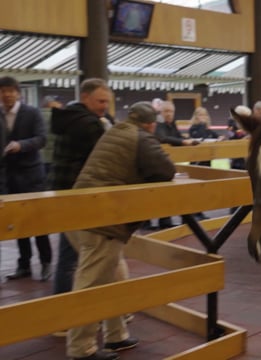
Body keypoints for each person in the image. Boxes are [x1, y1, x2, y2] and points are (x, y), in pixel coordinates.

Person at [65, 101, 175, 360]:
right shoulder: (141, 138)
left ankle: (116, 336)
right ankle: (81, 348)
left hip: (79, 211)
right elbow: (166, 169)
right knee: (91, 284)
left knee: (114, 275)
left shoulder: (114, 130)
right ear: (151, 124)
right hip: (103, 220)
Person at [49, 78, 114, 298]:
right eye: (100, 101)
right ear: (85, 97)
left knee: (69, 251)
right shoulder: (89, 124)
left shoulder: (67, 117)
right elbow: (106, 159)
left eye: (107, 102)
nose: (104, 106)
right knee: (79, 254)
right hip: (80, 194)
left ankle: (65, 306)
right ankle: (69, 313)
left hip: (62, 190)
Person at [1, 76, 52, 282]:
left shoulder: (32, 113)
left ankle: (46, 262)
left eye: (10, 91)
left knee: (38, 222)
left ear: (18, 93)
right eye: (3, 91)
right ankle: (24, 265)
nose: (7, 95)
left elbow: (42, 139)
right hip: (8, 177)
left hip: (32, 177)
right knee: (19, 224)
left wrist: (21, 145)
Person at [153, 101, 198, 229]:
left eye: (171, 111)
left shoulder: (172, 124)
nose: (169, 114)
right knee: (164, 191)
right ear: (160, 112)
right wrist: (184, 141)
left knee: (172, 189)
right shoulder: (159, 124)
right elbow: (162, 138)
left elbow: (177, 137)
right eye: (166, 111)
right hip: (158, 164)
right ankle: (164, 220)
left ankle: (171, 219)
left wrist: (186, 139)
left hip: (170, 163)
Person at [40, 95, 64, 175]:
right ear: (51, 103)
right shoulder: (58, 116)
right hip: (53, 157)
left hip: (40, 157)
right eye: (58, 102)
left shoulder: (37, 115)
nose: (61, 104)